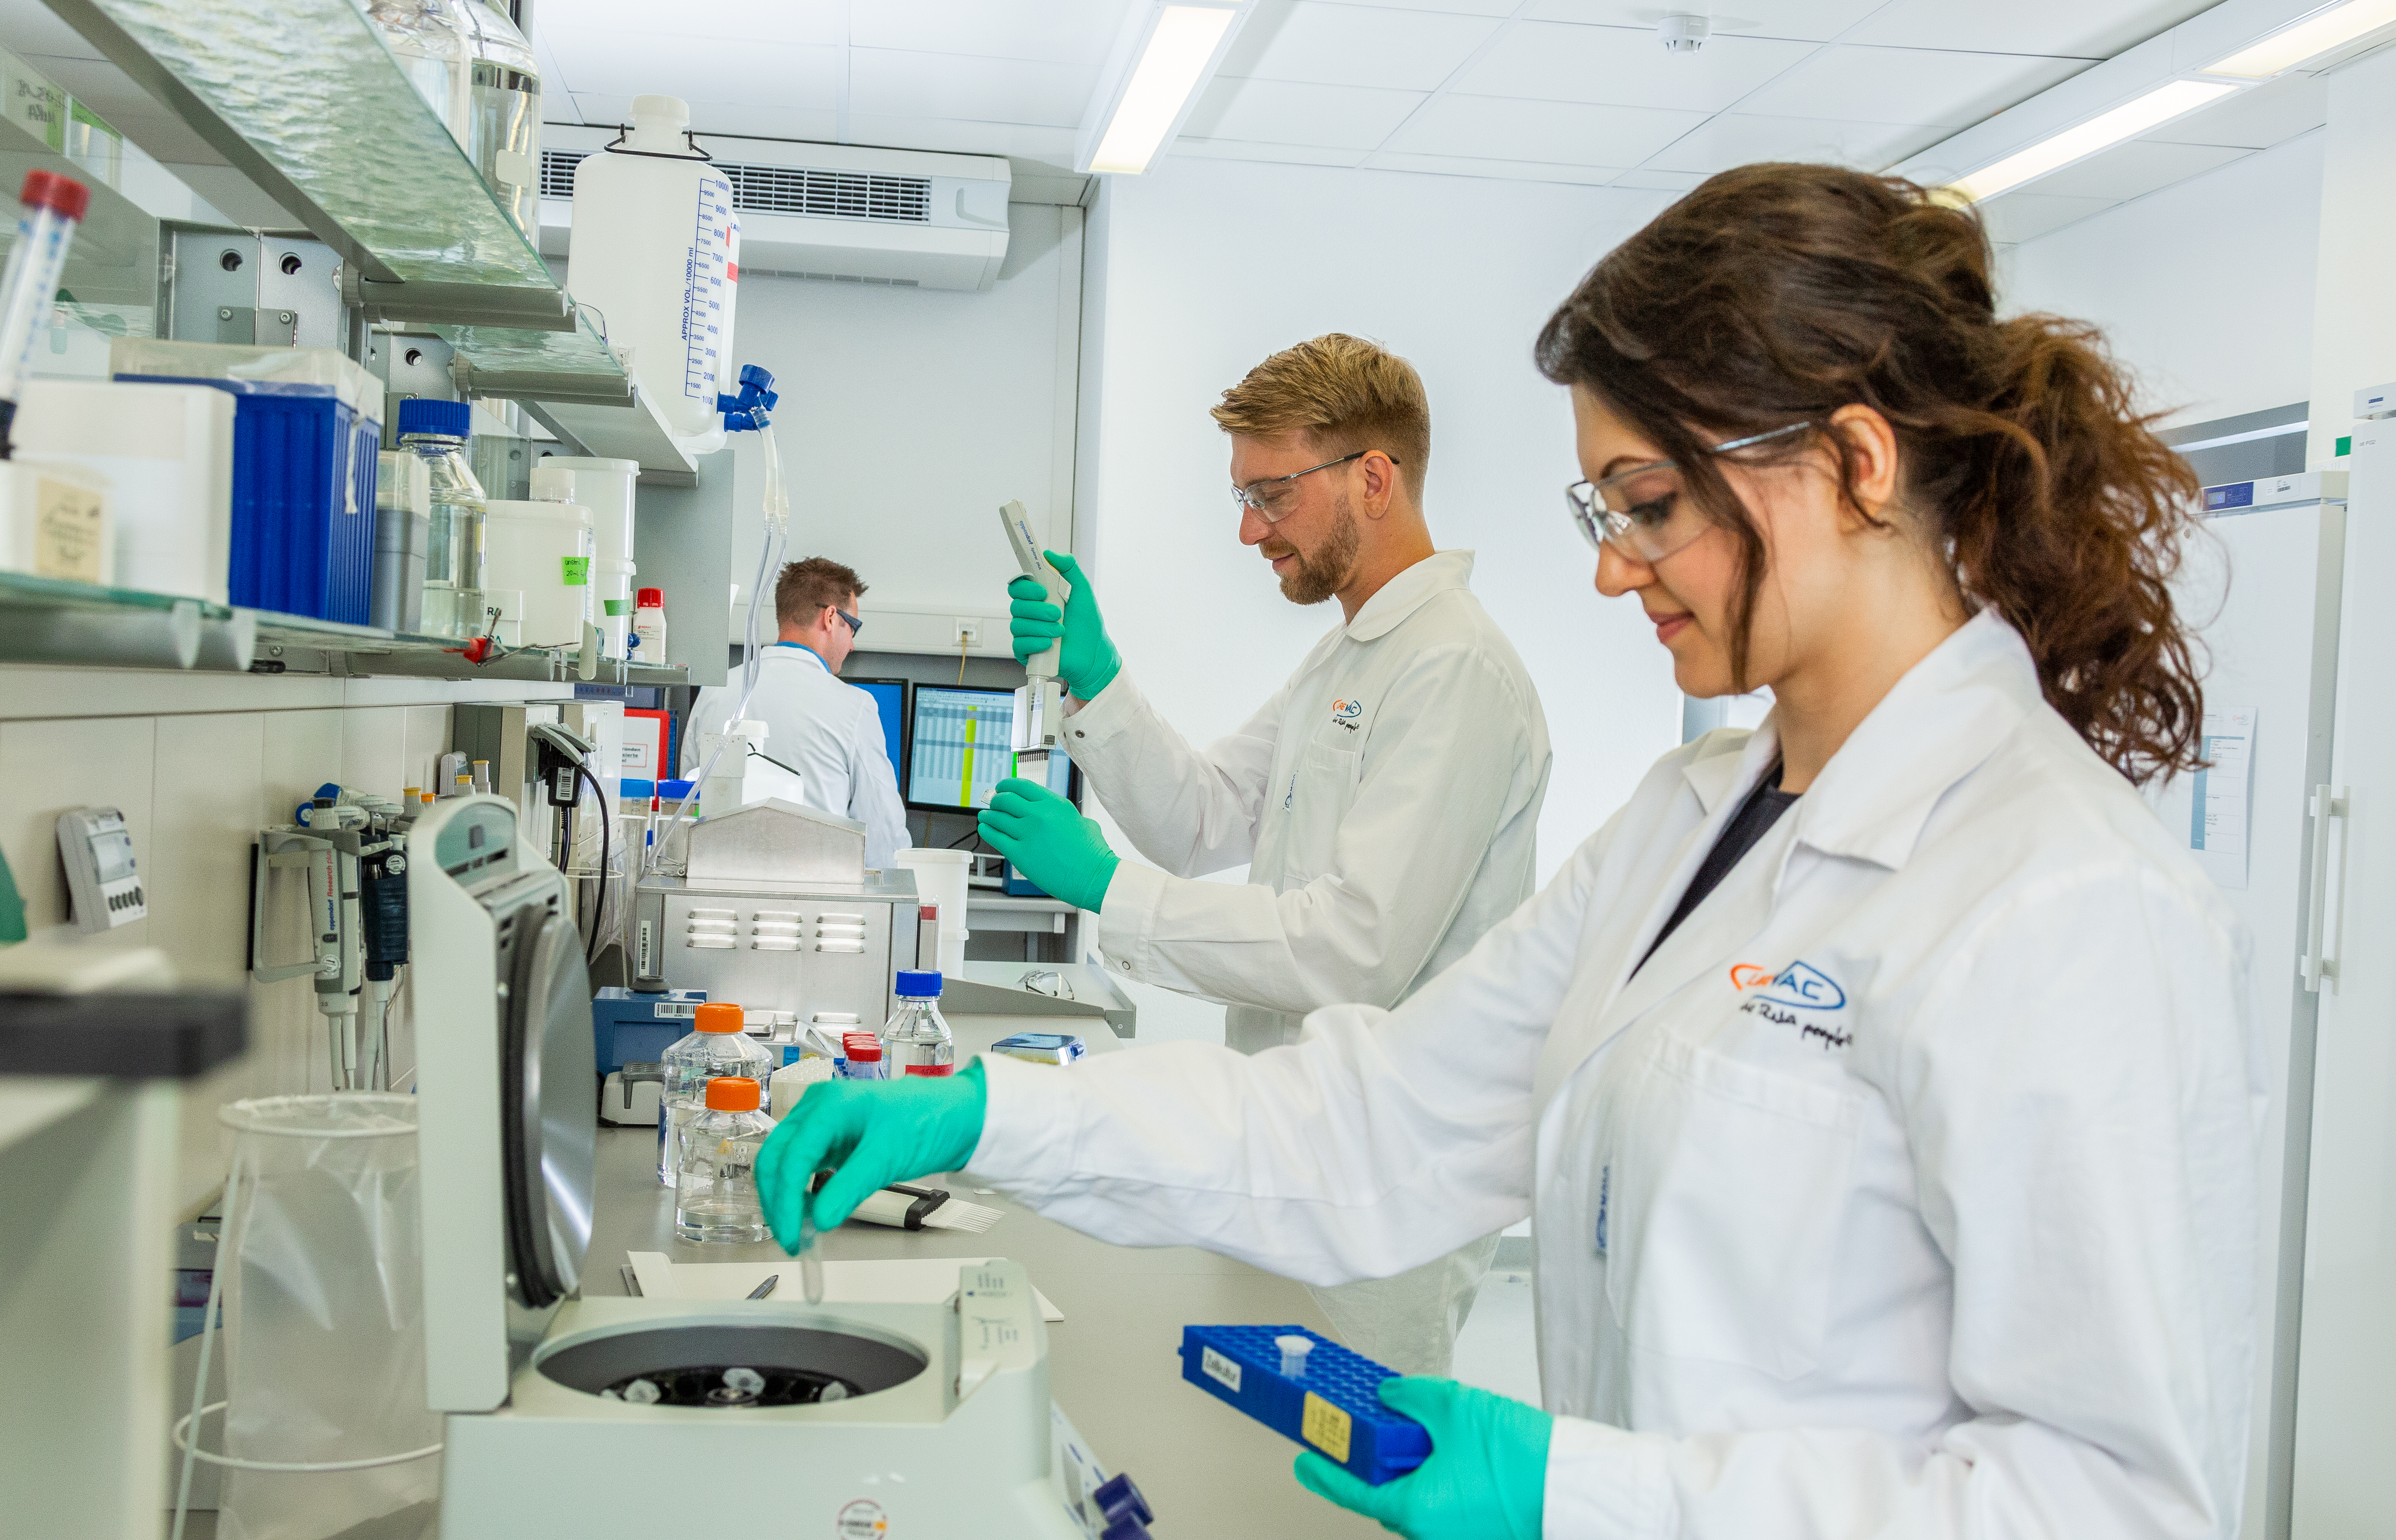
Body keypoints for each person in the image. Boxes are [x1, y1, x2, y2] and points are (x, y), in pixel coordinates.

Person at [757, 163, 2261, 1540]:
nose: (1608, 567)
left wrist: (1578, 1492)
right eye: (1597, 506)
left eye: (1648, 505)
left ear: (1855, 462)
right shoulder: (1689, 827)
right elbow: (1372, 1123)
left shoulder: (2062, 899)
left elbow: (2108, 1502)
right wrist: (990, 1122)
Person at [974, 333, 1552, 1376]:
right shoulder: (1342, 657)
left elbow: (1348, 947)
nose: (1249, 529)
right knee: (1252, 1454)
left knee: (1336, 1485)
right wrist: (1092, 677)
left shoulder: (1455, 672)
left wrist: (1109, 887)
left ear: (1372, 478)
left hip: (1386, 1180)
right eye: (1241, 497)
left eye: (1272, 494)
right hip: (1291, 1140)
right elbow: (1199, 815)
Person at [683, 556, 908, 869]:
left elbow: (683, 805)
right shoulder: (855, 707)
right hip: (811, 904)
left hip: (714, 897)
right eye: (853, 627)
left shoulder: (715, 691)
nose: (853, 645)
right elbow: (885, 839)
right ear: (831, 618)